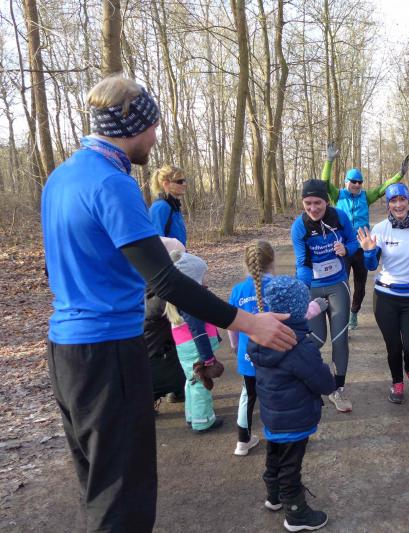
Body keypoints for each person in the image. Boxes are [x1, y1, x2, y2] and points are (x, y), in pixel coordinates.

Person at [41, 75, 296, 532]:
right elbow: (166, 280)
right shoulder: (113, 183)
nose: (156, 138)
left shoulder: (61, 178)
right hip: (109, 352)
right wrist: (249, 322)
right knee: (125, 501)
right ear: (134, 125)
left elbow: (62, 265)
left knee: (98, 489)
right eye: (154, 127)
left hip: (65, 352)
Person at [248, 276, 337, 532]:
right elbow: (322, 382)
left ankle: (274, 496)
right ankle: (296, 513)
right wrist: (331, 379)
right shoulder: (297, 345)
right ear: (298, 310)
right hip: (295, 417)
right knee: (290, 466)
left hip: (273, 414)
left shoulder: (259, 338)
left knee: (275, 455)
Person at [228, 240, 328, 456]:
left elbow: (232, 325)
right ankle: (291, 435)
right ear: (272, 261)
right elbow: (297, 315)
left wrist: (235, 346)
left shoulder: (238, 290)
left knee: (248, 396)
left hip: (248, 354)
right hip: (278, 352)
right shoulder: (280, 288)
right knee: (280, 395)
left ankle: (242, 441)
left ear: (246, 264)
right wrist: (316, 306)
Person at [357, 183, 409, 404]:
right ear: (388, 205)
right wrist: (368, 252)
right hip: (384, 297)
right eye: (393, 201)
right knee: (394, 347)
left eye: (402, 199)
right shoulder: (380, 229)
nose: (398, 205)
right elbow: (371, 266)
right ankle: (397, 382)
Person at [321, 141, 409, 330]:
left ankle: (353, 313)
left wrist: (399, 174)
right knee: (341, 284)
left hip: (362, 246)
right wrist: (329, 161)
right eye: (353, 181)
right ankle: (342, 316)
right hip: (342, 247)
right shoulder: (338, 195)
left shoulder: (365, 197)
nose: (357, 185)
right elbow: (324, 183)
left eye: (360, 182)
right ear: (346, 182)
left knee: (360, 286)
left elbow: (383, 187)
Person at [291, 179, 360, 412]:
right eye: (308, 203)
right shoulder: (299, 226)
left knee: (339, 339)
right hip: (313, 286)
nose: (313, 208)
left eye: (317, 202)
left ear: (326, 201)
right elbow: (302, 263)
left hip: (337, 285)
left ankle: (337, 389)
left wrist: (346, 249)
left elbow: (354, 242)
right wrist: (303, 291)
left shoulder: (339, 217)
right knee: (317, 339)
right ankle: (299, 375)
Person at [164, 249, 225, 433]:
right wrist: (208, 358)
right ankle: (203, 421)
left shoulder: (178, 297)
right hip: (196, 349)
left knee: (191, 381)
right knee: (201, 383)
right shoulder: (190, 301)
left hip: (186, 348)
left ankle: (192, 416)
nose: (206, 280)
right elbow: (198, 332)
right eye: (203, 276)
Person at [145, 237, 186, 413]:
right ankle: (173, 389)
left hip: (139, 353)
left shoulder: (144, 291)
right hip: (157, 358)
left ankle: (166, 392)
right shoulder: (164, 299)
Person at [149, 164, 188, 246]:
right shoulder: (160, 207)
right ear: (166, 184)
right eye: (180, 181)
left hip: (178, 253)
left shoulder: (174, 206)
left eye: (185, 181)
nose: (184, 184)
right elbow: (156, 242)